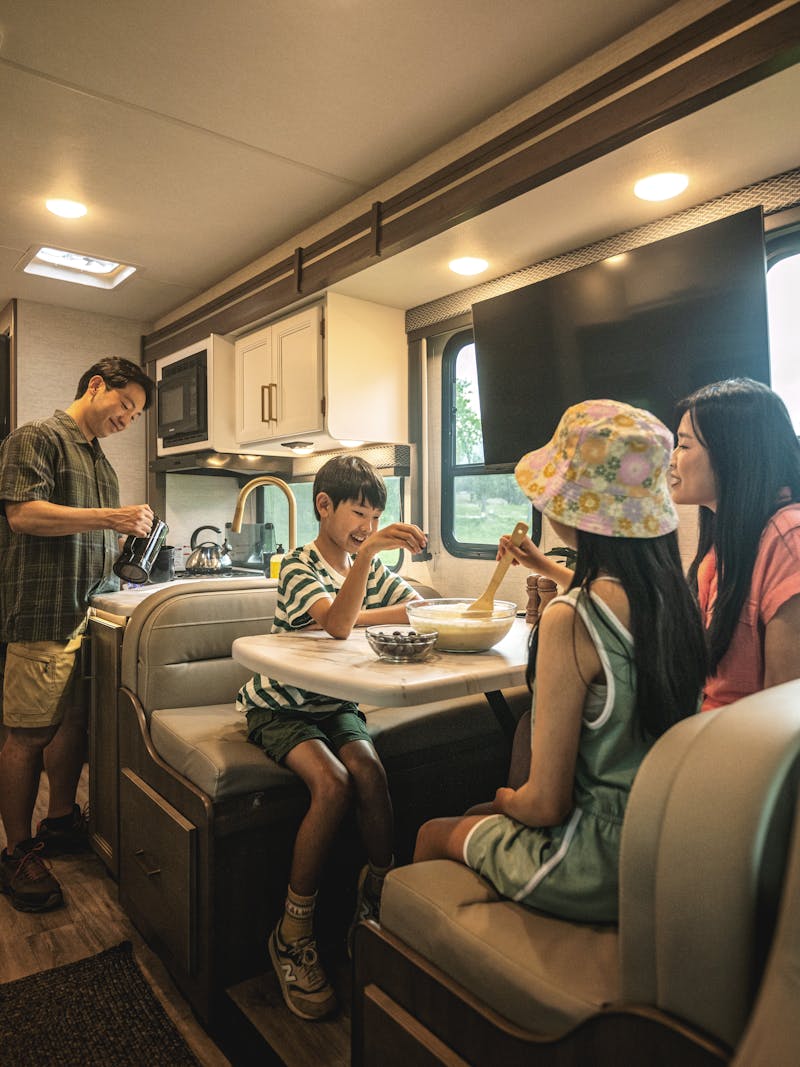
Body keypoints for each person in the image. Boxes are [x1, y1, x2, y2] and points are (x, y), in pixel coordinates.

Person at [414, 399, 707, 923]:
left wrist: (507, 797)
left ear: (576, 509)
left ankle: (389, 962)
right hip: (661, 845)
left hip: (591, 861)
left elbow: (545, 805)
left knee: (432, 833)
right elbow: (609, 601)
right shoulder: (673, 599)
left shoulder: (568, 619)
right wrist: (540, 563)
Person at [236, 455, 426, 1020]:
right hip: (282, 707)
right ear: (325, 507)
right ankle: (292, 932)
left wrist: (370, 577)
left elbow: (415, 607)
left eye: (373, 517)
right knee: (335, 783)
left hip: (334, 703)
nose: (366, 527)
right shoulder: (297, 564)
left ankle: (376, 896)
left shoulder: (362, 565)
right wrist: (368, 566)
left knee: (371, 771)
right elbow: (338, 622)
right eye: (358, 514)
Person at [0, 357, 155, 913]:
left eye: (135, 415)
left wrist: (129, 551)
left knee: (73, 723)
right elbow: (23, 516)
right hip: (43, 614)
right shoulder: (35, 437)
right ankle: (16, 850)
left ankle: (61, 820)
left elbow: (94, 541)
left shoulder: (102, 465)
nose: (127, 418)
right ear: (96, 386)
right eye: (125, 405)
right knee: (28, 735)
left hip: (89, 615)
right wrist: (111, 519)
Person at [670, 378, 800, 709]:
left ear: (734, 453)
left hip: (747, 749)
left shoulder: (789, 537)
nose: (671, 460)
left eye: (684, 446)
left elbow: (785, 709)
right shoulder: (726, 542)